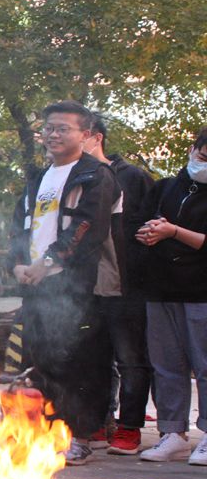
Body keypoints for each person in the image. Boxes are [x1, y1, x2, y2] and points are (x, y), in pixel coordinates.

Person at [7, 101, 121, 465]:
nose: (54, 135)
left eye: (63, 129)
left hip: (77, 286)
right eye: (49, 128)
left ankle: (81, 436)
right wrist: (18, 264)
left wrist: (47, 263)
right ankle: (40, 433)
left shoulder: (95, 175)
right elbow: (19, 225)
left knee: (80, 362)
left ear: (85, 134)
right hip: (36, 285)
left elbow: (87, 228)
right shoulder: (39, 178)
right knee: (39, 359)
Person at [130, 128, 207, 465]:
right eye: (203, 156)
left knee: (204, 365)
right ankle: (172, 433)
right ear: (193, 150)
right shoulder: (164, 188)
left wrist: (173, 231)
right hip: (160, 287)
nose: (204, 164)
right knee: (166, 365)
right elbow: (139, 224)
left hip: (201, 290)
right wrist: (149, 232)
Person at [84, 116, 155, 455]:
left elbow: (150, 227)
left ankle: (129, 427)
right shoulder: (73, 177)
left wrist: (137, 271)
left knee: (130, 359)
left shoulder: (132, 177)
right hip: (85, 285)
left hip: (125, 284)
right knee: (93, 358)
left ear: (94, 137)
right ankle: (99, 422)